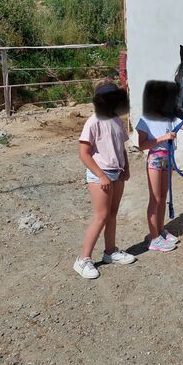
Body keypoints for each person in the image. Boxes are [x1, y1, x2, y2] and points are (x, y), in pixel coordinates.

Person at [74, 81, 136, 279]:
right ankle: (83, 259)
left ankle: (110, 252)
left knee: (112, 213)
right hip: (101, 175)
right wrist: (101, 175)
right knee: (101, 216)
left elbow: (121, 147)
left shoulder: (117, 120)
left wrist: (126, 167)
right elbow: (84, 153)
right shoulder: (93, 121)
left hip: (117, 173)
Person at [136, 95, 183, 251]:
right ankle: (153, 238)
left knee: (163, 197)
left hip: (168, 159)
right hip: (156, 159)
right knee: (155, 198)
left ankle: (160, 230)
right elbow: (142, 145)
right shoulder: (146, 119)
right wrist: (163, 137)